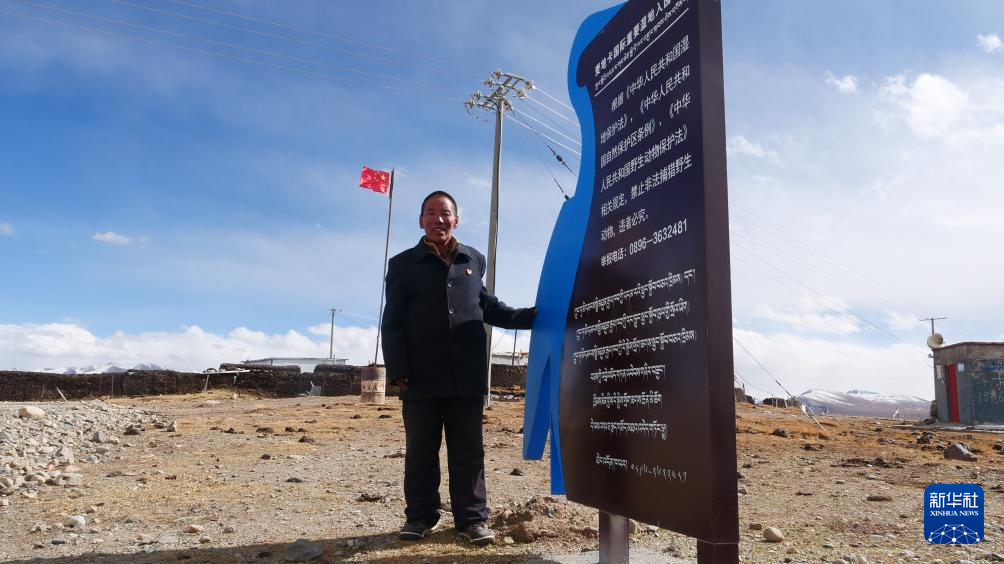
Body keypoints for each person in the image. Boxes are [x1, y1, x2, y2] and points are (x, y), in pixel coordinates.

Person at [381, 190, 536, 546]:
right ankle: (420, 516)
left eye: (446, 213)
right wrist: (398, 369)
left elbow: (487, 306)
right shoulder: (402, 264)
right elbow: (393, 321)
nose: (439, 219)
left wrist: (533, 317)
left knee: (469, 451)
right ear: (421, 220)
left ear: (456, 220)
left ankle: (472, 519)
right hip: (419, 377)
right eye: (431, 212)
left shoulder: (472, 259)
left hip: (465, 375)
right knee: (421, 451)